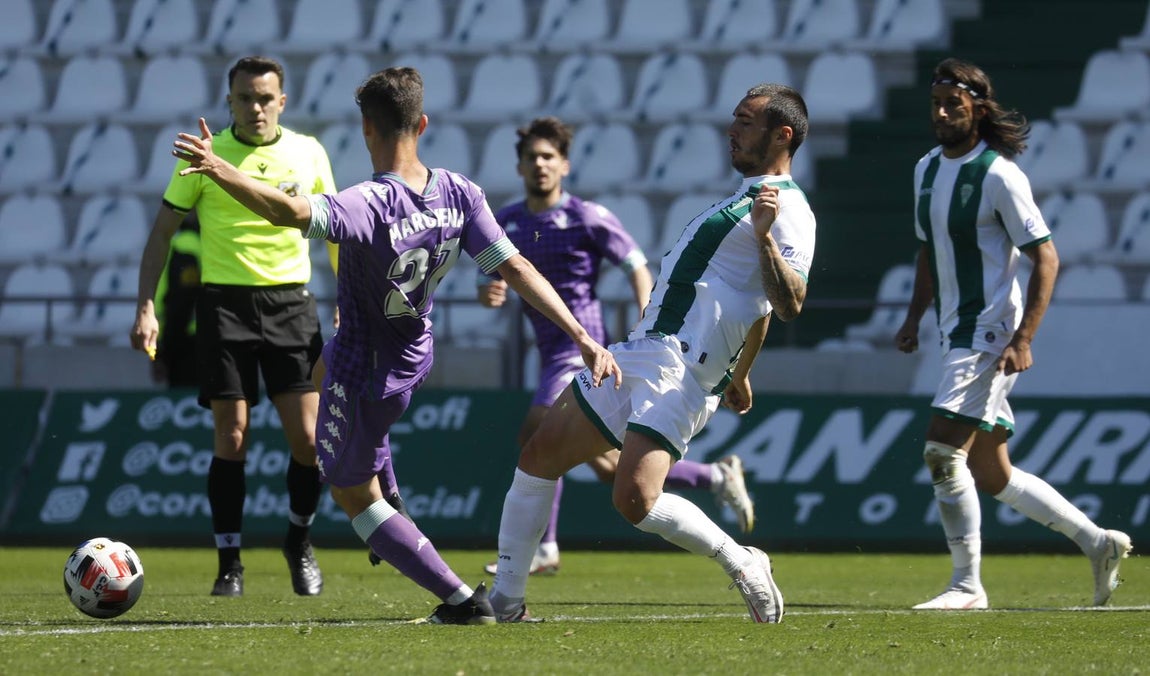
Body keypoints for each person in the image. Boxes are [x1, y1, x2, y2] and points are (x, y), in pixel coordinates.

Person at [169, 66, 621, 624]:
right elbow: (516, 267)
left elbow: (287, 212)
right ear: (422, 123)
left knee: (350, 494)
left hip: (366, 370)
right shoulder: (460, 193)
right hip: (410, 356)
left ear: (366, 128)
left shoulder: (367, 204)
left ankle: (460, 600)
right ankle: (393, 498)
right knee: (320, 366)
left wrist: (217, 168)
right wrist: (582, 337)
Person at [489, 84, 815, 624]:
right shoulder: (745, 197)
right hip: (641, 353)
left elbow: (788, 302)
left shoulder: (789, 210)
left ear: (782, 135)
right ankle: (505, 601)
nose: (731, 129)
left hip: (680, 368)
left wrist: (762, 239)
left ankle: (741, 560)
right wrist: (745, 371)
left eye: (745, 121)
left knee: (634, 501)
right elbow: (752, 304)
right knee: (538, 456)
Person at [895, 57, 1132, 610]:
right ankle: (1097, 543)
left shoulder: (999, 174)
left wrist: (1024, 337)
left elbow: (1046, 258)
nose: (943, 112)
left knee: (941, 451)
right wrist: (912, 317)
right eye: (936, 103)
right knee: (990, 471)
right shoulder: (926, 169)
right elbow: (928, 250)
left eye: (954, 103)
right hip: (954, 330)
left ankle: (966, 585)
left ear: (977, 107)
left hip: (990, 331)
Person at [478, 116, 757, 577]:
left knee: (537, 429)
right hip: (549, 351)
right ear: (520, 167)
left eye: (549, 157)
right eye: (532, 158)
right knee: (610, 465)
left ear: (564, 165)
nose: (540, 165)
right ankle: (716, 476)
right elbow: (494, 278)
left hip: (586, 347)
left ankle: (544, 548)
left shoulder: (587, 217)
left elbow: (635, 263)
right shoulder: (507, 221)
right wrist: (488, 294)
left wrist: (650, 311)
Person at [131, 56, 335, 598]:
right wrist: (146, 306)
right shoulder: (205, 153)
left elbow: (336, 232)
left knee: (310, 441)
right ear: (230, 102)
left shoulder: (308, 152)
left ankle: (299, 539)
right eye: (245, 98)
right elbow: (161, 234)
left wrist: (351, 300)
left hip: (293, 304)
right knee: (233, 435)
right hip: (224, 306)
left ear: (282, 101)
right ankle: (230, 562)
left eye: (266, 97)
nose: (256, 107)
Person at [152, 212, 201, 389]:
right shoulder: (192, 244)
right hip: (194, 339)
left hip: (183, 341)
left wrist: (165, 351)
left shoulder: (180, 244)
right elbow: (182, 299)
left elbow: (179, 301)